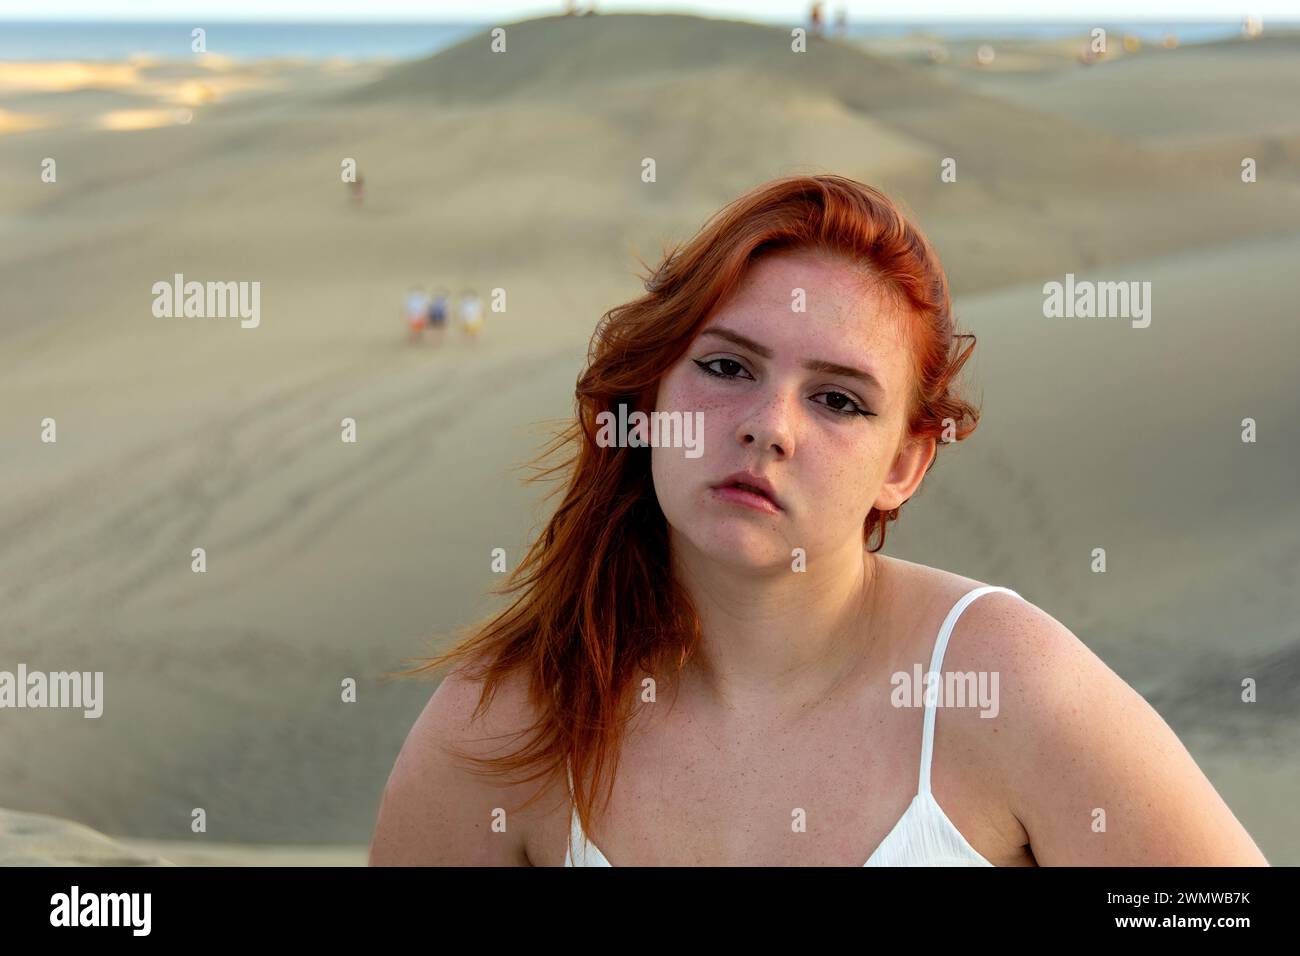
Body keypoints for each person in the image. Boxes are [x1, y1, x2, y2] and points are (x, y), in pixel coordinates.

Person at [369, 174, 1270, 867]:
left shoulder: (1006, 685)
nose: (770, 425)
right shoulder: (506, 724)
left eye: (838, 399)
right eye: (726, 369)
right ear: (649, 397)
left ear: (905, 464)